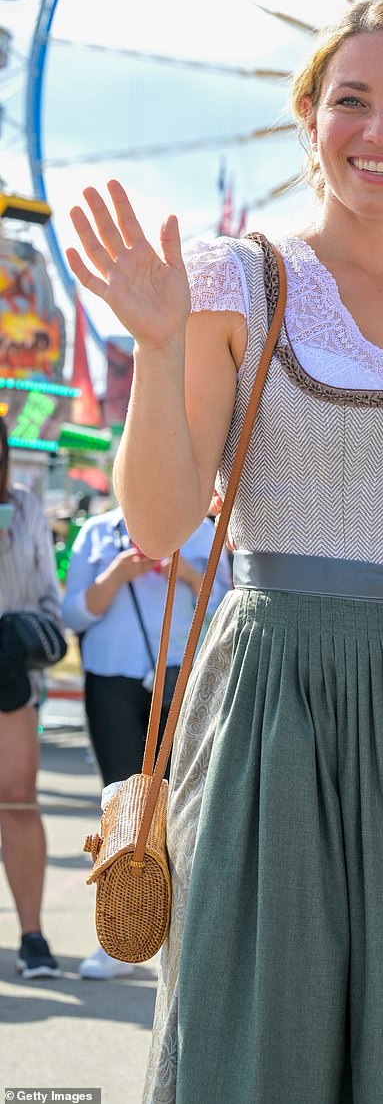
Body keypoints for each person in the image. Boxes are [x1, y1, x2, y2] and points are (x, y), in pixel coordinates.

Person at [66, 0, 383, 1104]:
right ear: (308, 117)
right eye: (350, 99)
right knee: (266, 1015)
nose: (379, 130)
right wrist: (156, 351)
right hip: (282, 686)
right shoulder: (236, 278)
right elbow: (160, 525)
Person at [61, 503, 231, 979]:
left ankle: (177, 943)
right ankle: (116, 937)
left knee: (183, 811)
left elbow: (232, 617)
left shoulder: (203, 533)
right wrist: (116, 574)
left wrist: (191, 575)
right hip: (110, 681)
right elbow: (73, 613)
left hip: (185, 679)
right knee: (118, 808)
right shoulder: (98, 533)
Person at [0, 415, 63, 979]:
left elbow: (49, 598)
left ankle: (32, 934)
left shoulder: (22, 508)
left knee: (17, 801)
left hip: (8, 673)